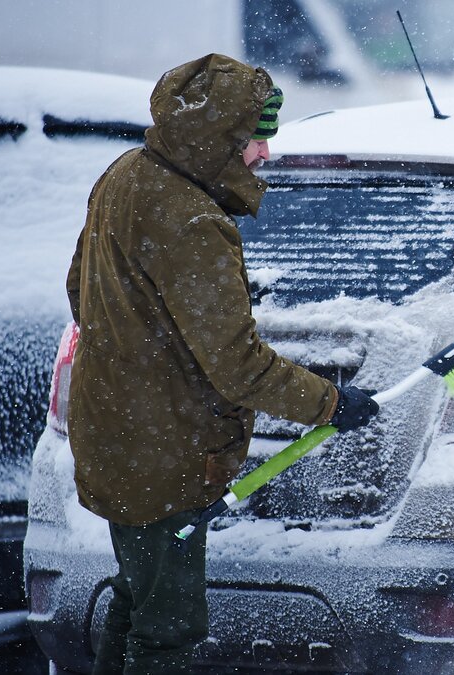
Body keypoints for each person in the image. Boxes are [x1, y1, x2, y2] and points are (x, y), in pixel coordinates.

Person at [65, 53, 379, 675]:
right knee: (171, 629)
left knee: (138, 597)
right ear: (217, 139)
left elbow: (80, 288)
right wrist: (332, 403)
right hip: (166, 453)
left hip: (115, 435)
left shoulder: (125, 174)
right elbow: (239, 367)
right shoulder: (195, 220)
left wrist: (147, 347)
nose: (264, 154)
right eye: (255, 138)